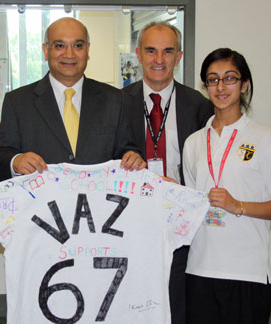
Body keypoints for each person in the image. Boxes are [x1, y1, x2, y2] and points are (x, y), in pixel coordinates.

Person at [182, 48, 271, 324]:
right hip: (200, 269)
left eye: (229, 78)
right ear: (205, 85)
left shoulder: (265, 140)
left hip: (247, 273)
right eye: (213, 79)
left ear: (244, 85)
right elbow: (193, 202)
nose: (221, 86)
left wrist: (238, 206)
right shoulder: (194, 142)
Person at [122, 21, 213, 324]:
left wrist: (183, 189)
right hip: (131, 219)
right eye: (150, 50)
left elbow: (209, 166)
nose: (158, 59)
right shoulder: (117, 103)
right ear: (138, 54)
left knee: (177, 299)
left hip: (180, 218)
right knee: (133, 299)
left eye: (167, 51)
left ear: (179, 56)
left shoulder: (200, 106)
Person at [0, 17, 145, 182]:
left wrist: (132, 157)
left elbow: (127, 151)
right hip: (40, 205)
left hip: (100, 204)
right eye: (59, 45)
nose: (69, 54)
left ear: (87, 50)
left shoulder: (116, 100)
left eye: (77, 45)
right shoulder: (18, 102)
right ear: (46, 51)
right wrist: (15, 161)